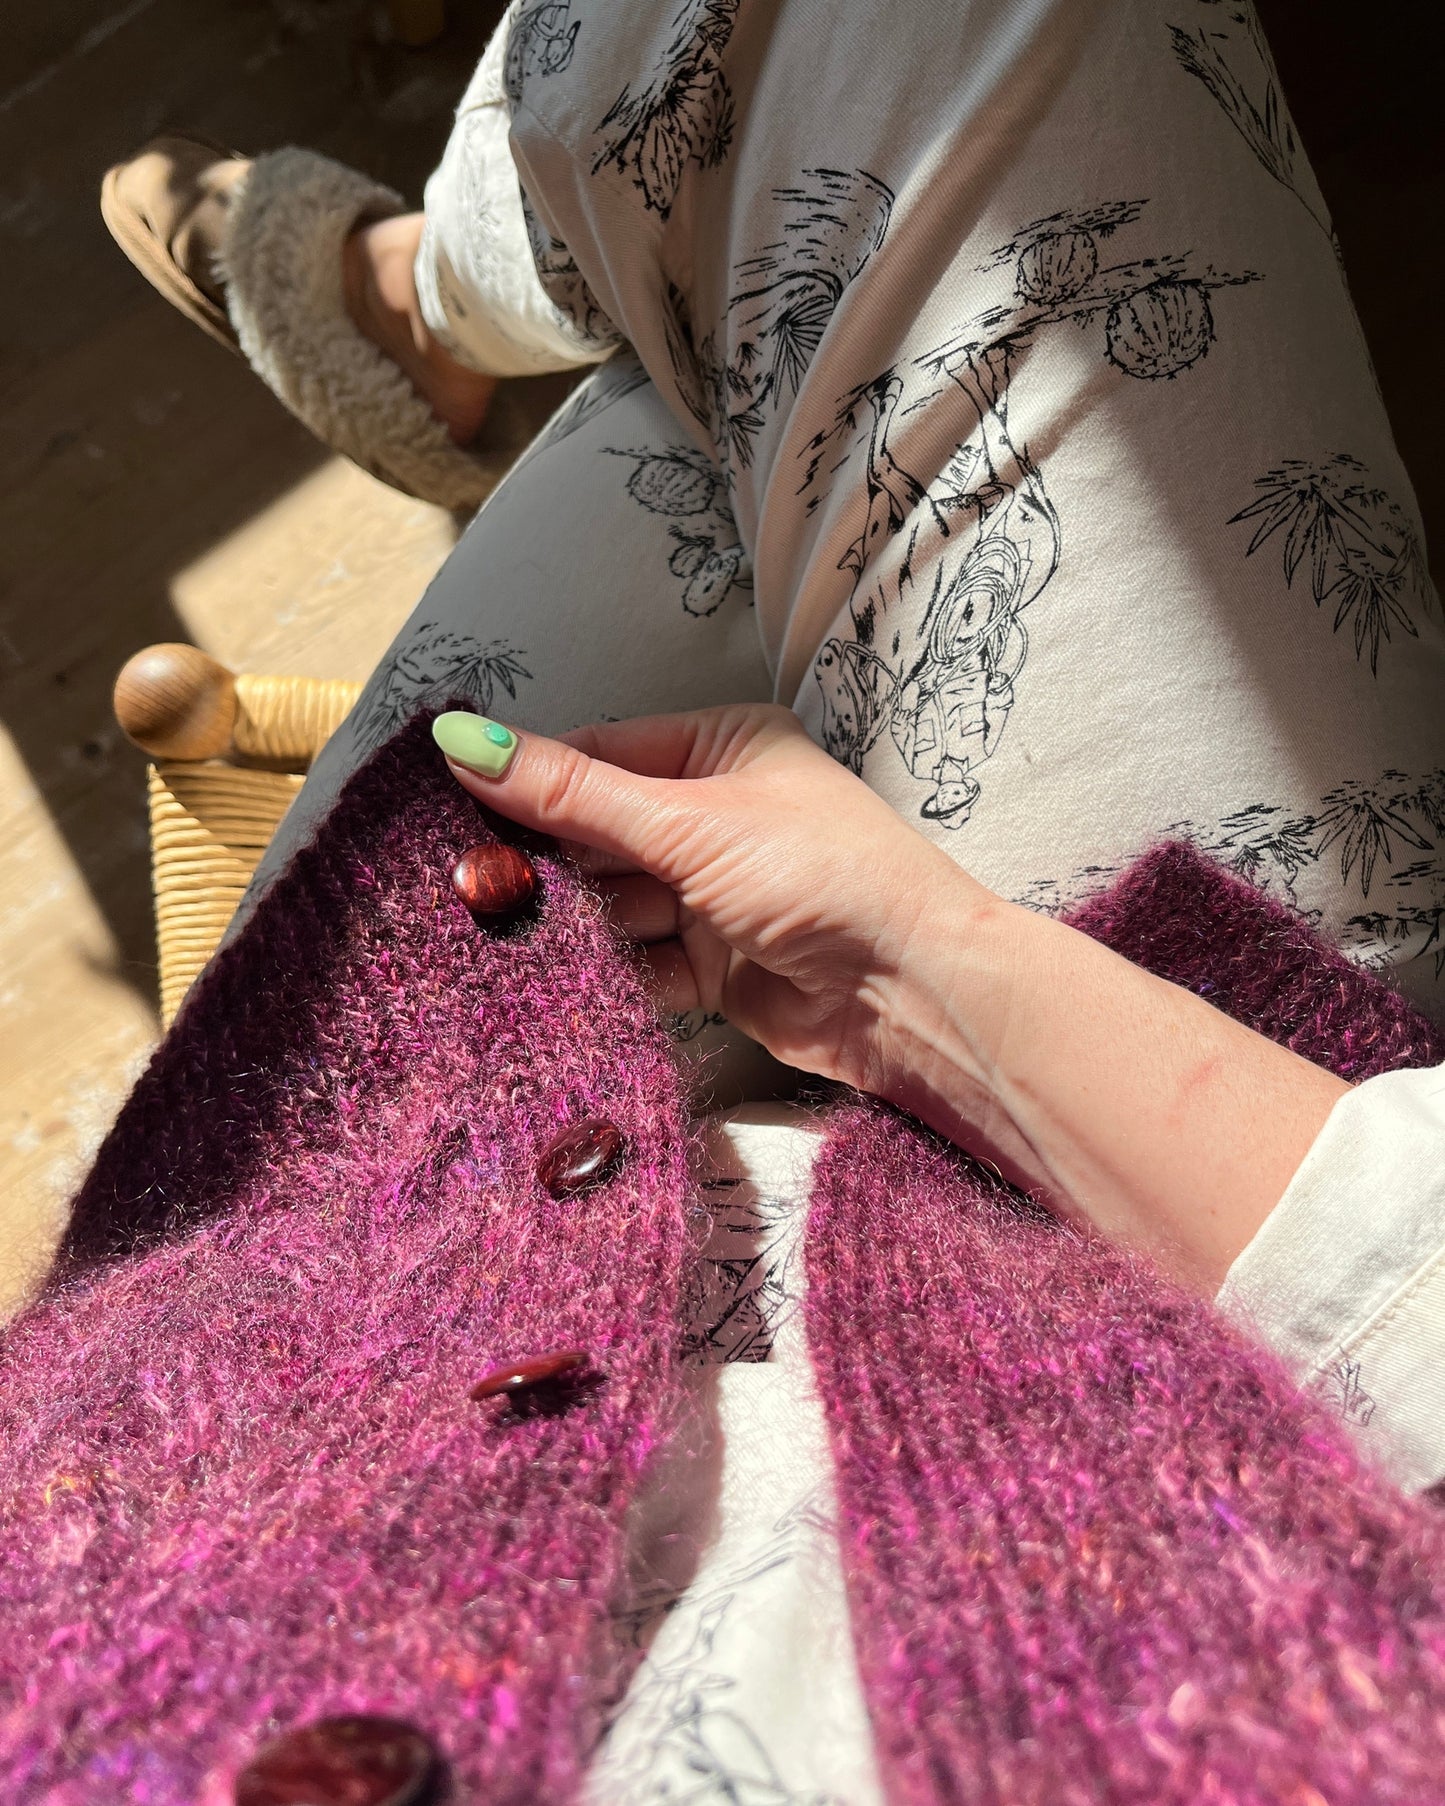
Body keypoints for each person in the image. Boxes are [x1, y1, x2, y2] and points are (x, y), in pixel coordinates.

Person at [99, 0, 1445, 1794]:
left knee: (719, 342)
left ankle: (434, 294)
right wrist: (920, 975)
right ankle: (438, 291)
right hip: (1215, 1213)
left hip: (319, 1265)